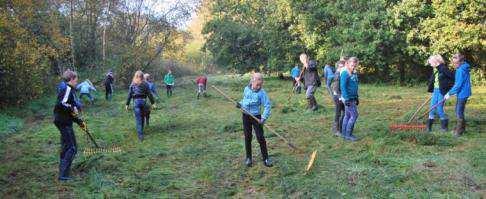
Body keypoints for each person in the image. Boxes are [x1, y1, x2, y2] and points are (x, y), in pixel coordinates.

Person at [53, 70, 86, 181]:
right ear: (71, 79)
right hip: (63, 121)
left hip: (62, 120)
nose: (77, 82)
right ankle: (63, 176)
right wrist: (73, 108)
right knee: (72, 148)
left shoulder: (66, 88)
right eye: (76, 80)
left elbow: (68, 108)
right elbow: (62, 104)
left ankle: (63, 171)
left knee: (66, 146)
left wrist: (79, 121)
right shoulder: (67, 89)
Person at [235, 73, 273, 167]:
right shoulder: (246, 89)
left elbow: (267, 106)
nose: (259, 87)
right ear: (252, 81)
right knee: (247, 136)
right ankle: (248, 158)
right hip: (246, 115)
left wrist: (263, 117)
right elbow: (244, 100)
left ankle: (266, 158)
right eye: (257, 84)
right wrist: (240, 104)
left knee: (260, 137)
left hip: (256, 117)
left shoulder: (262, 93)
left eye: (261, 85)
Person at [444, 53, 472, 137]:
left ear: (460, 62)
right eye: (453, 62)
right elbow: (459, 83)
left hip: (463, 93)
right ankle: (462, 129)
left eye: (455, 63)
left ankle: (458, 132)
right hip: (463, 92)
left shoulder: (460, 70)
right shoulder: (464, 67)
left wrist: (449, 93)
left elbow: (458, 85)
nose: (453, 64)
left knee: (458, 111)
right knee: (459, 110)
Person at [126, 71, 156, 141]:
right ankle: (141, 132)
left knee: (138, 119)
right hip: (143, 102)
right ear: (142, 76)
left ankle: (140, 134)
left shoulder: (133, 84)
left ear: (135, 76)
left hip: (136, 103)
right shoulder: (145, 84)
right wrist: (153, 103)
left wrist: (127, 104)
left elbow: (129, 94)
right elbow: (149, 94)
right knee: (142, 117)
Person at [426, 55, 454, 132]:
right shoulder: (435, 69)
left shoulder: (444, 69)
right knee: (432, 108)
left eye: (431, 62)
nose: (430, 64)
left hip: (442, 91)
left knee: (439, 108)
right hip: (435, 91)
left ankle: (444, 127)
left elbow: (452, 79)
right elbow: (433, 80)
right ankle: (429, 128)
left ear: (436, 62)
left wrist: (449, 92)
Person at [340, 57, 359, 141]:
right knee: (354, 115)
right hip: (348, 98)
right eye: (352, 65)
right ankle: (348, 134)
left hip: (353, 97)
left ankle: (344, 134)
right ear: (347, 64)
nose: (353, 67)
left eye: (355, 66)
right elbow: (343, 86)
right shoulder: (345, 73)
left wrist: (356, 97)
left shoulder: (354, 73)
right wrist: (347, 98)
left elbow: (355, 86)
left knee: (347, 115)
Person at [330, 60, 346, 136]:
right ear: (338, 68)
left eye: (344, 66)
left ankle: (341, 127)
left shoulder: (342, 74)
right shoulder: (337, 75)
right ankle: (336, 130)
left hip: (343, 96)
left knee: (345, 112)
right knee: (338, 112)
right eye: (341, 67)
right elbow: (336, 89)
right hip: (338, 97)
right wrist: (340, 97)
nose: (343, 68)